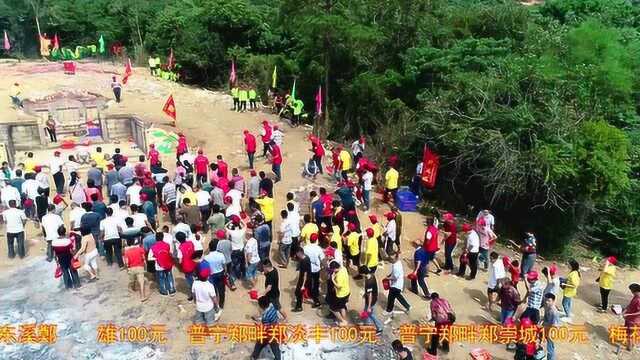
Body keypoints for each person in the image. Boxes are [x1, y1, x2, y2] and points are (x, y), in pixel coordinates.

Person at [251, 296, 284, 360]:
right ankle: (277, 358)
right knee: (275, 347)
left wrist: (257, 323)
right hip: (275, 328)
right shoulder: (272, 306)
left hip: (269, 332)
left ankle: (254, 356)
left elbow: (265, 327)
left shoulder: (266, 316)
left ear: (262, 306)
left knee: (261, 343)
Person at [384, 251, 411, 322]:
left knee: (391, 298)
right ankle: (407, 306)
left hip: (395, 285)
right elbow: (393, 274)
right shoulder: (397, 262)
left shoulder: (396, 267)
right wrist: (390, 275)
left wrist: (387, 278)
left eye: (391, 259)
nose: (390, 260)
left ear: (394, 259)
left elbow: (395, 277)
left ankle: (388, 310)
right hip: (399, 284)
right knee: (398, 296)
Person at [149, 232, 176, 296]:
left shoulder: (153, 247)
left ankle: (164, 290)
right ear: (163, 237)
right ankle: (171, 289)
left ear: (155, 238)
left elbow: (149, 258)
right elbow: (171, 253)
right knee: (169, 276)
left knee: (161, 278)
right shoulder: (167, 245)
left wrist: (157, 258)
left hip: (159, 265)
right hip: (168, 264)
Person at [360, 265, 383, 335]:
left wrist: (369, 306)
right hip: (373, 298)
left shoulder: (369, 282)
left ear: (363, 273)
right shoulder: (372, 275)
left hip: (371, 301)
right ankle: (368, 326)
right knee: (367, 313)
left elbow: (370, 295)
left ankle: (379, 327)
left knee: (371, 314)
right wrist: (365, 294)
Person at [123, 238, 148, 302]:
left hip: (132, 268)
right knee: (141, 282)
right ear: (134, 242)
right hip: (140, 267)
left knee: (132, 280)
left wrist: (127, 269)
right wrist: (145, 266)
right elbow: (144, 258)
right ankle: (142, 296)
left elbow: (126, 262)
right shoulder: (140, 249)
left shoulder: (127, 251)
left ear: (128, 244)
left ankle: (133, 289)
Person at [205, 240, 227, 309]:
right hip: (220, 274)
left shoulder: (206, 257)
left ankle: (215, 305)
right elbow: (224, 265)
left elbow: (207, 268)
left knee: (213, 291)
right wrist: (225, 272)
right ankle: (221, 304)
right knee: (221, 290)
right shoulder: (221, 255)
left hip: (211, 275)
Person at [330, 261, 350, 325]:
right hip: (347, 291)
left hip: (341, 294)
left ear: (335, 268)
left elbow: (338, 286)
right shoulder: (344, 268)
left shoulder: (339, 276)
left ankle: (342, 320)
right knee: (342, 307)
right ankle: (344, 321)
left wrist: (332, 279)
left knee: (333, 309)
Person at [292, 247, 312, 312]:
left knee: (298, 292)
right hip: (304, 278)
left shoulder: (304, 261)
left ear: (299, 253)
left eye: (297, 253)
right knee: (298, 292)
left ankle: (299, 307)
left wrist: (303, 285)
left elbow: (305, 273)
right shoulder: (306, 257)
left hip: (303, 279)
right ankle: (299, 304)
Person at [622, 283, 640, 351]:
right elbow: (630, 304)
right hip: (630, 319)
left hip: (634, 320)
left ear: (635, 290)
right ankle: (631, 344)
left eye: (631, 290)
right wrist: (625, 310)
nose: (631, 292)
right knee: (631, 333)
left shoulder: (639, 299)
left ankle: (629, 347)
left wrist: (628, 315)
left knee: (630, 334)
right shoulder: (636, 296)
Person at [542, 293, 560, 360]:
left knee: (550, 348)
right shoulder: (547, 306)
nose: (547, 302)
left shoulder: (554, 312)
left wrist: (548, 333)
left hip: (552, 331)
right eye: (546, 300)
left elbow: (554, 326)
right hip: (547, 327)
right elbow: (546, 317)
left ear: (553, 301)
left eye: (549, 301)